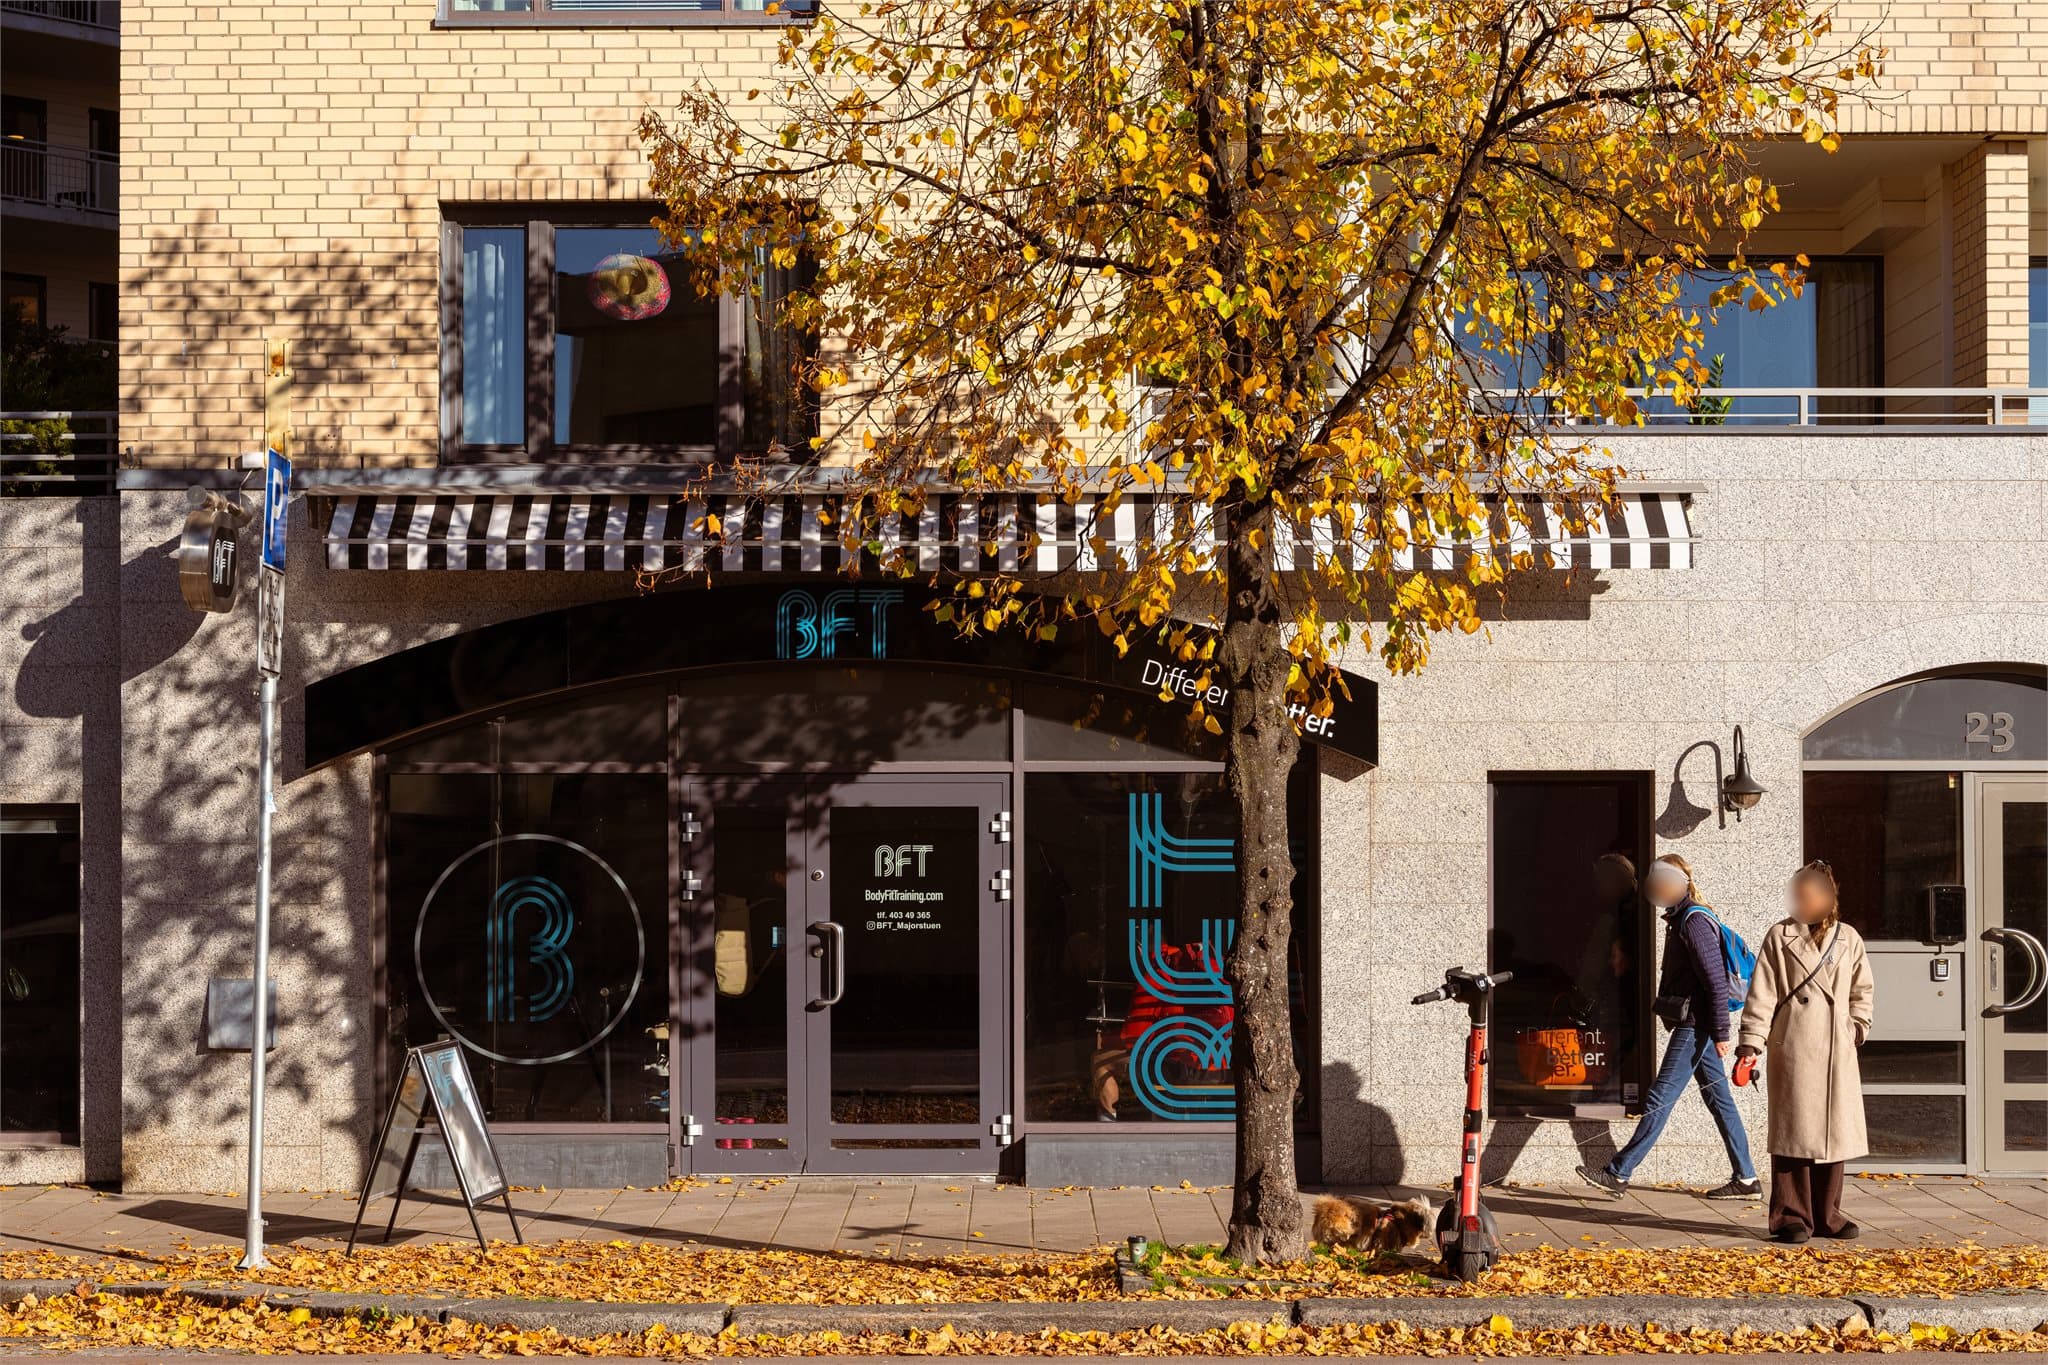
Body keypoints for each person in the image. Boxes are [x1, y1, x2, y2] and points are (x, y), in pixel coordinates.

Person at [1576, 854, 1760, 1200]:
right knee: (1720, 1101)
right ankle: (1747, 1178)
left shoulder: (1693, 922)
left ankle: (1618, 1173)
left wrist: (1722, 1033)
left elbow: (1715, 982)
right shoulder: (1682, 920)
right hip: (1698, 1024)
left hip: (1696, 1025)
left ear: (1677, 885)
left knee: (1660, 1097)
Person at [1736, 861, 1874, 1243]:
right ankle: (1790, 1217)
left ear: (1830, 897)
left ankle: (1827, 1214)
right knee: (1794, 1136)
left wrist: (1857, 1027)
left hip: (1835, 1050)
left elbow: (1862, 990)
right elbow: (1762, 992)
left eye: (1814, 893)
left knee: (1833, 1135)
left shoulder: (1849, 938)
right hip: (1794, 1045)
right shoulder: (1780, 937)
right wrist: (1751, 1040)